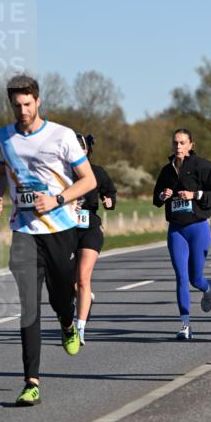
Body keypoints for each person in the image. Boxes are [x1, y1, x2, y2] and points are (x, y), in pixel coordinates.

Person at [0, 75, 97, 405]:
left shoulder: (61, 136)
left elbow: (88, 180)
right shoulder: (2, 137)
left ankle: (67, 323)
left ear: (37, 102)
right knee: (28, 309)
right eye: (16, 105)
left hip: (60, 230)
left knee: (61, 297)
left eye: (27, 104)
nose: (22, 110)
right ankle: (31, 381)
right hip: (23, 232)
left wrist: (57, 200)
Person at [153, 128, 211, 339]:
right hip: (176, 230)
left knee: (195, 278)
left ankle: (206, 286)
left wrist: (195, 194)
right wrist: (162, 195)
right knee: (181, 277)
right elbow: (155, 200)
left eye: (182, 143)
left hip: (198, 227)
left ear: (191, 145)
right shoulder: (166, 171)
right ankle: (185, 324)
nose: (178, 146)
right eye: (175, 143)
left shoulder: (204, 167)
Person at [74, 133, 117, 344]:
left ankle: (79, 328)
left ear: (87, 150)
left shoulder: (97, 172)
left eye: (80, 147)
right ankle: (86, 297)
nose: (77, 150)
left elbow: (110, 192)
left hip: (90, 228)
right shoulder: (61, 173)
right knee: (69, 282)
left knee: (83, 278)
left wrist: (109, 201)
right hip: (66, 231)